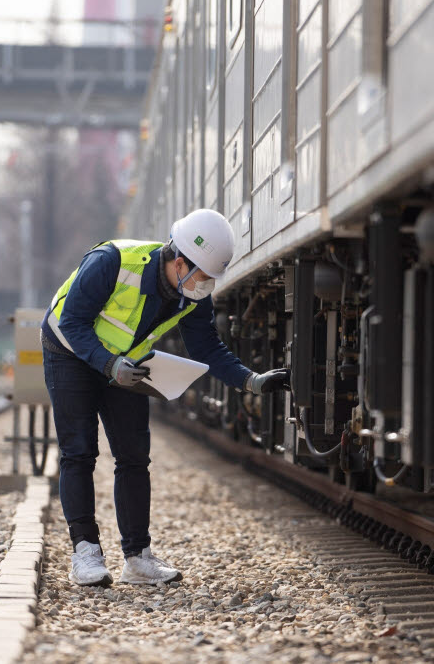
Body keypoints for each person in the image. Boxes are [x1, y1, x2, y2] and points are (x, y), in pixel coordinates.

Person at [39, 209, 289, 587]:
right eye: (202, 276)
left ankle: (138, 559)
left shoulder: (191, 293)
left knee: (134, 456)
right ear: (179, 260)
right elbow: (71, 321)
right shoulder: (111, 262)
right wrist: (109, 365)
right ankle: (85, 553)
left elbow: (207, 346)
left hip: (124, 363)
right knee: (78, 452)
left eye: (209, 280)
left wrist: (250, 381)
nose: (204, 286)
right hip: (68, 352)